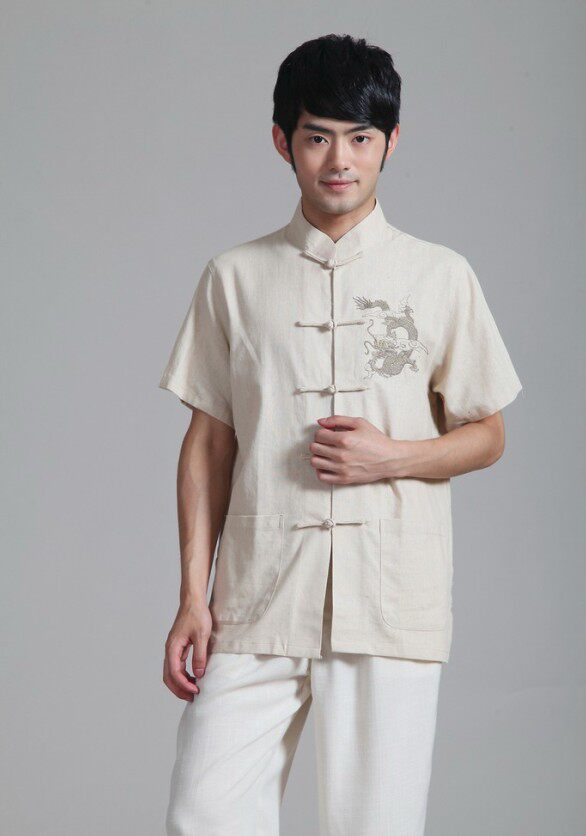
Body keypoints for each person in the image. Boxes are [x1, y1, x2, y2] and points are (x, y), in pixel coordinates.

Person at [158, 34, 523, 836]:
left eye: (360, 138)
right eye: (317, 136)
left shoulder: (440, 275)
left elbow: (489, 433)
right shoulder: (233, 278)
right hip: (256, 594)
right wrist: (192, 597)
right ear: (283, 141)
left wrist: (392, 456)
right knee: (204, 814)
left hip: (391, 596)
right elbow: (208, 446)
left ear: (391, 142)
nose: (339, 161)